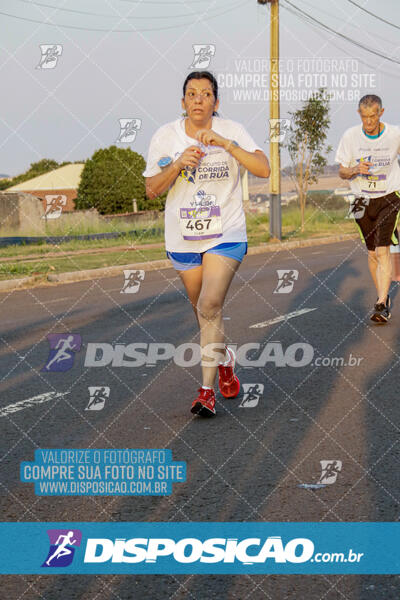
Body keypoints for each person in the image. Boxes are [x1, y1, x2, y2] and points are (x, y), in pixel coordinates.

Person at [143, 71, 270, 416]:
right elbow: (151, 189)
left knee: (210, 305)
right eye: (192, 93)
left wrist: (226, 145)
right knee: (202, 312)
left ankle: (206, 392)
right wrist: (178, 165)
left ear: (217, 101)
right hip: (183, 236)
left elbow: (264, 169)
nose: (199, 99)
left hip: (225, 234)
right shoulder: (165, 136)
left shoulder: (232, 130)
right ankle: (225, 359)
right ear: (182, 101)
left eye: (206, 93)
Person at [336, 94, 400, 323]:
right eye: (365, 117)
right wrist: (355, 169)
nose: (369, 122)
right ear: (359, 114)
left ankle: (381, 303)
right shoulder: (350, 136)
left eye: (373, 117)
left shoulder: (394, 134)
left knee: (383, 250)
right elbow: (342, 171)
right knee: (372, 252)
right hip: (361, 200)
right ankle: (383, 296)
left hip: (389, 196)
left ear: (381, 113)